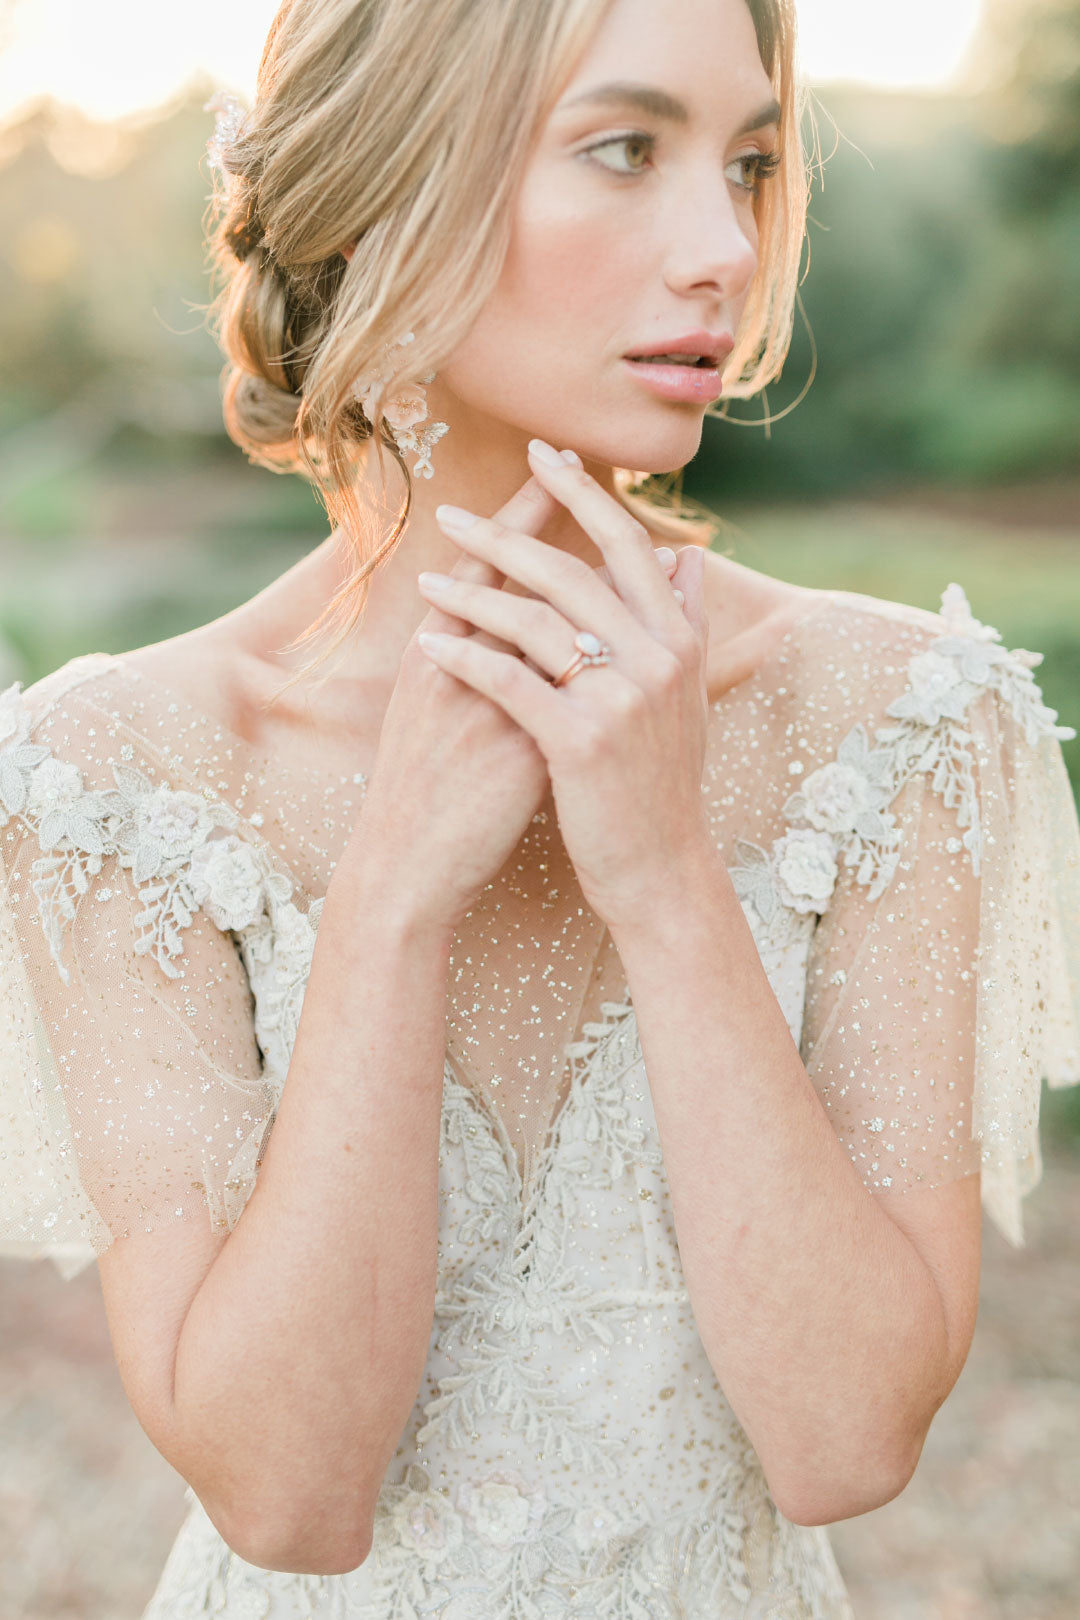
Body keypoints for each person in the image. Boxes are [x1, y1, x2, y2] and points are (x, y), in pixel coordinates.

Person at [2, 0, 1079, 1614]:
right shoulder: (122, 770)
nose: (723, 246)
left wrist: (662, 874)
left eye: (755, 162)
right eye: (626, 150)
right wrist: (390, 900)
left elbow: (845, 1441)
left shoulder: (902, 720)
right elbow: (288, 1500)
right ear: (382, 189)